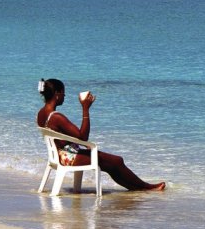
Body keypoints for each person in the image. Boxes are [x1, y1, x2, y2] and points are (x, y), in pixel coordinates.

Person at [36, 78, 165, 191]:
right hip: (68, 157)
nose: (65, 96)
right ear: (57, 94)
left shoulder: (41, 113)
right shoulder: (57, 117)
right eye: (64, 93)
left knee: (112, 164)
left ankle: (139, 188)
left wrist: (80, 144)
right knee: (117, 161)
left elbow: (60, 138)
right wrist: (85, 108)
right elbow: (83, 137)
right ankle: (146, 187)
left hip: (59, 155)